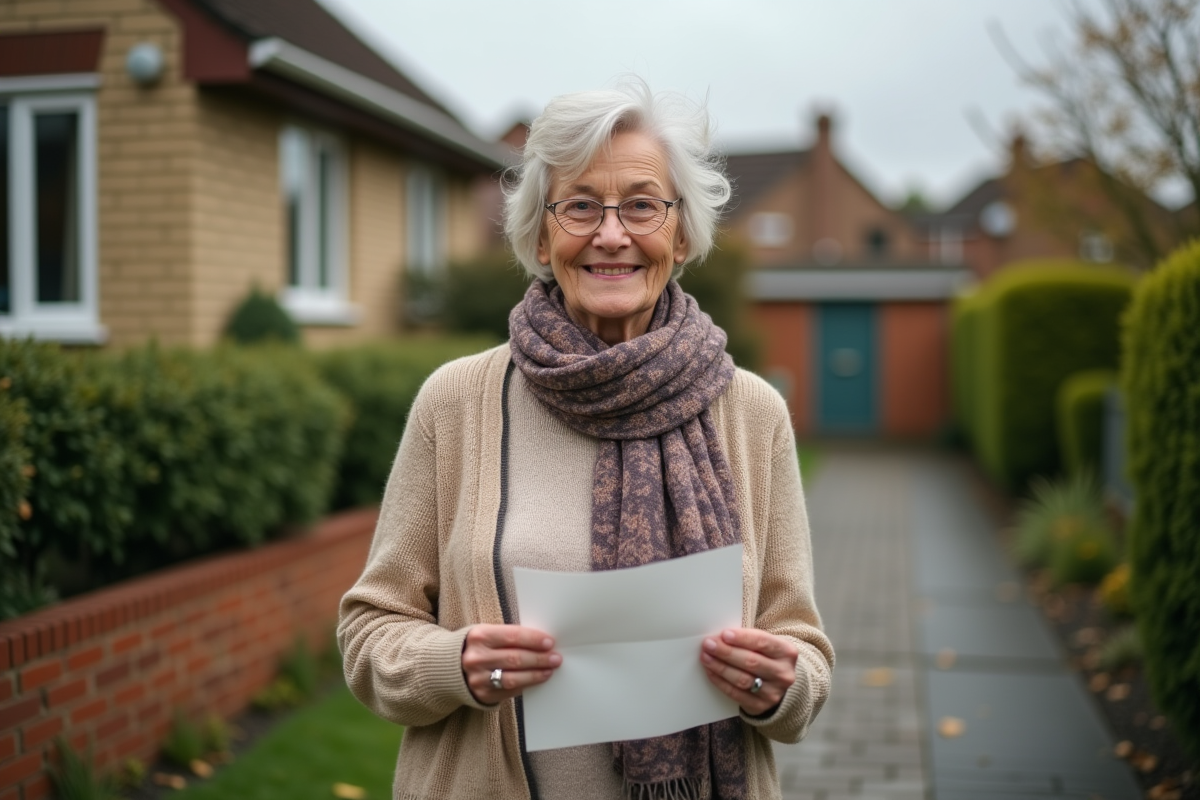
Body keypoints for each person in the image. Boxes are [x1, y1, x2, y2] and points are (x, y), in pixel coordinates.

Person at [338, 78, 834, 800]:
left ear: (682, 231)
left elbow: (805, 654)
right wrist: (456, 663)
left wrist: (776, 685)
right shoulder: (457, 402)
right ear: (541, 235)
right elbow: (368, 632)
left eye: (641, 205)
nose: (610, 234)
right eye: (579, 206)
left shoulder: (751, 413)